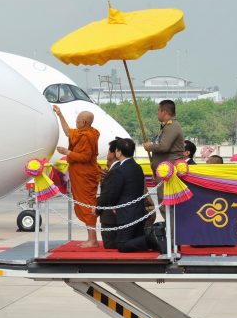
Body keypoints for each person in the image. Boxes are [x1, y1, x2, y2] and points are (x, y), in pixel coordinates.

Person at [99, 138, 165, 253]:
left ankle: (152, 238)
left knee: (122, 245)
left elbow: (115, 191)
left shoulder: (120, 169)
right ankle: (153, 239)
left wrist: (113, 205)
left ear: (118, 152)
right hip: (139, 210)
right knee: (134, 239)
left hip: (126, 212)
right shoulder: (137, 167)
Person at [53, 105, 101, 248]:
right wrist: (60, 114)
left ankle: (93, 240)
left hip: (85, 175)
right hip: (78, 174)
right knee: (83, 205)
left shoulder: (89, 136)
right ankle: (91, 238)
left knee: (87, 206)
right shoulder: (82, 132)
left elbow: (86, 157)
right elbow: (68, 132)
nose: (76, 122)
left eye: (78, 120)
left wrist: (67, 152)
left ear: (85, 123)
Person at [143, 99, 184, 216]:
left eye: (158, 110)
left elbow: (164, 147)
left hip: (168, 174)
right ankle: (169, 232)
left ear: (164, 111)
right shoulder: (167, 126)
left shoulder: (172, 126)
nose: (157, 113)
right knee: (163, 206)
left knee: (167, 207)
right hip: (163, 173)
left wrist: (150, 147)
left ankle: (171, 233)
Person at [96, 138, 121, 249]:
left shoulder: (114, 171)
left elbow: (106, 196)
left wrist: (97, 209)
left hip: (111, 218)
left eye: (108, 151)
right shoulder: (126, 167)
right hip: (123, 217)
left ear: (114, 153)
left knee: (111, 246)